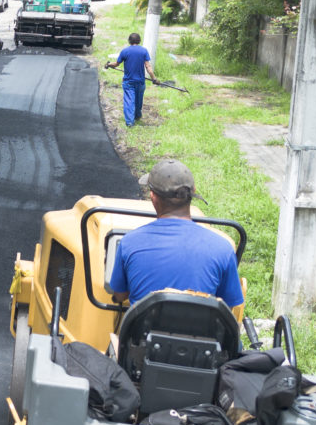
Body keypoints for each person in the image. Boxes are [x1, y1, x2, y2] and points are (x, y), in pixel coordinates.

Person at [108, 159, 244, 312]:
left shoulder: (129, 243)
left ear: (153, 197)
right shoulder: (222, 248)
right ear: (193, 191)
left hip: (142, 335)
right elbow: (228, 305)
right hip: (202, 334)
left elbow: (119, 296)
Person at [105, 33, 158, 127]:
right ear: (139, 41)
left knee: (129, 101)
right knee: (138, 100)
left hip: (128, 82)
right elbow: (148, 66)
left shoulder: (125, 51)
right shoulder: (144, 51)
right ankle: (137, 116)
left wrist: (109, 65)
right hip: (140, 82)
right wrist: (154, 78)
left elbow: (116, 64)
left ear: (129, 41)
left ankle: (130, 122)